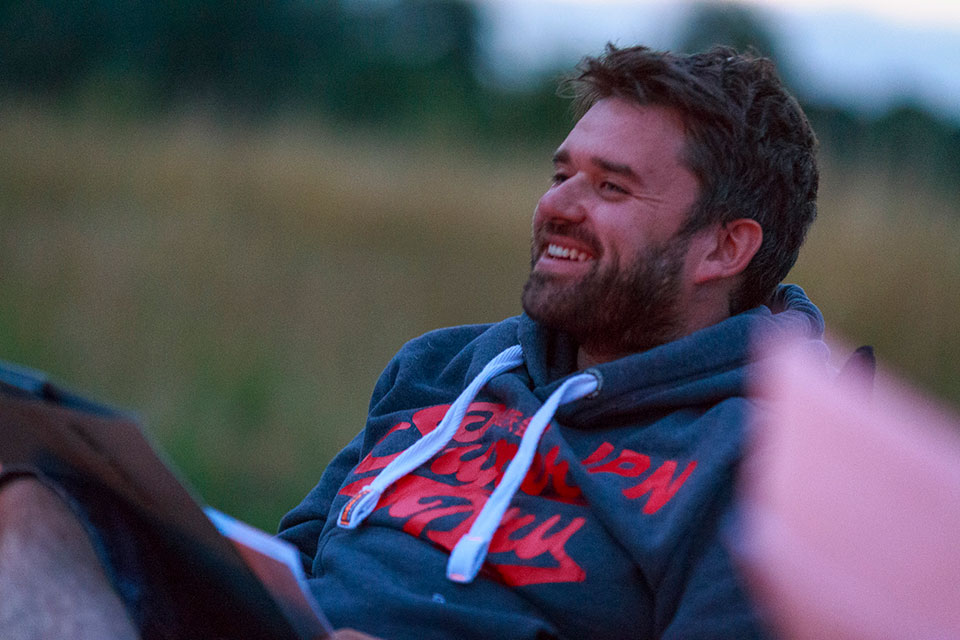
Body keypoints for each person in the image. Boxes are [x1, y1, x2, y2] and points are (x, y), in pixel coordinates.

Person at [0, 43, 825, 639]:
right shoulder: (444, 369)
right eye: (561, 174)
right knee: (30, 510)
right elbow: (294, 559)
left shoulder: (763, 462)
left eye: (611, 186)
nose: (557, 207)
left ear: (724, 248)